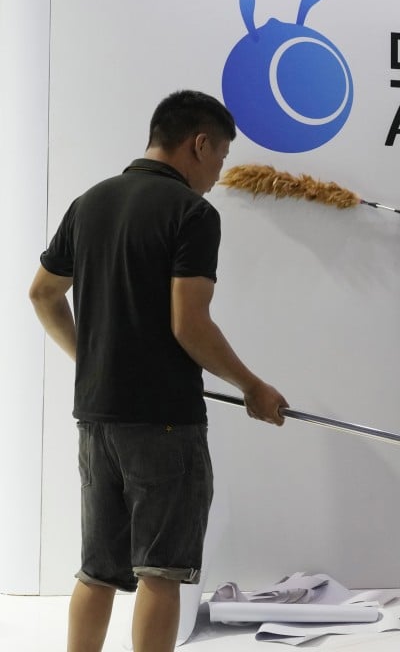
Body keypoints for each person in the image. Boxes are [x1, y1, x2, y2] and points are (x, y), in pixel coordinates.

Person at [28, 90, 289, 652]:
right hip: (165, 423)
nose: (218, 175)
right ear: (199, 144)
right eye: (220, 157)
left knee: (97, 570)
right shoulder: (192, 213)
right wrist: (252, 387)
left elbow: (43, 293)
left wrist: (91, 359)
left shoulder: (89, 202)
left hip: (97, 419)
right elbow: (189, 324)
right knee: (161, 572)